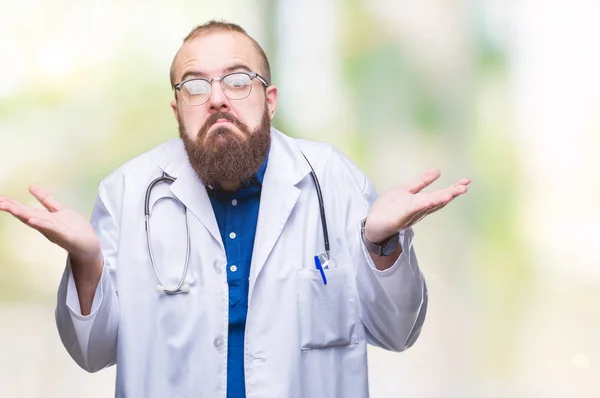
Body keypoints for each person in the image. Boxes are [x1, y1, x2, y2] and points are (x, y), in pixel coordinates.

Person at [0, 20, 470, 398]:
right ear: (177, 107)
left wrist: (380, 244)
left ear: (270, 100)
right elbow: (91, 351)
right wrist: (86, 261)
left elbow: (397, 331)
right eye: (195, 85)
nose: (218, 98)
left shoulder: (332, 181)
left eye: (237, 80)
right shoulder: (127, 192)